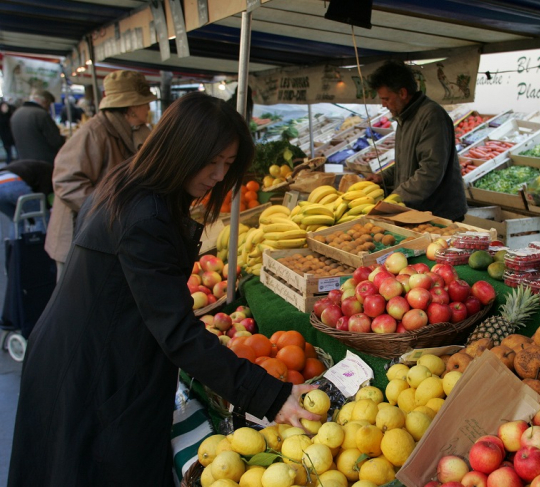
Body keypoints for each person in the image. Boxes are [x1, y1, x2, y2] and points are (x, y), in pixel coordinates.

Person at [7, 92, 321, 486]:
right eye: (211, 161)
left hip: (83, 349)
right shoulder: (144, 217)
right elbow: (176, 332)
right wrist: (271, 396)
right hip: (89, 368)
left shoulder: (131, 183)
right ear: (180, 148)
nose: (220, 176)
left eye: (227, 164)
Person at [45, 70, 155, 278]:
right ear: (131, 108)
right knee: (77, 302)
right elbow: (66, 180)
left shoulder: (136, 129)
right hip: (78, 234)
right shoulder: (94, 132)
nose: (149, 107)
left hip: (107, 233)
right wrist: (107, 210)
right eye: (145, 103)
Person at [366, 61, 467, 222]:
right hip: (416, 212)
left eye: (386, 99)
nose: (383, 104)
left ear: (403, 93)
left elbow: (430, 170)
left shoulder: (432, 117)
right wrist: (383, 177)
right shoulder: (404, 117)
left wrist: (394, 199)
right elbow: (406, 165)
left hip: (438, 215)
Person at [9, 90, 65, 164]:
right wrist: (64, 138)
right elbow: (56, 140)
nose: (48, 108)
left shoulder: (16, 114)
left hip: (24, 160)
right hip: (44, 161)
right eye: (49, 105)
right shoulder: (41, 114)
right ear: (45, 101)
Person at [0, 159, 53, 236]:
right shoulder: (49, 171)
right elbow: (43, 194)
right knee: (40, 217)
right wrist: (48, 208)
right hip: (13, 182)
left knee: (15, 220)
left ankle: (15, 246)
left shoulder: (32, 166)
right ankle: (39, 244)